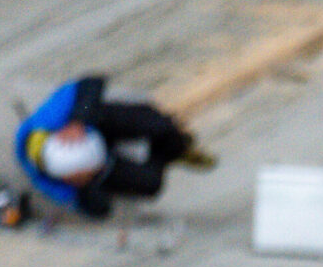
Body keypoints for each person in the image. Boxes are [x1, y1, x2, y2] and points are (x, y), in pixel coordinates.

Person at [13, 76, 212, 218]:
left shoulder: (51, 118)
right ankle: (171, 152)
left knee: (160, 125)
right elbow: (97, 209)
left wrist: (79, 119)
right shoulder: (51, 183)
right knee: (151, 184)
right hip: (93, 144)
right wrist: (87, 189)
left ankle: (175, 143)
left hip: (96, 124)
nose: (91, 175)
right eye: (89, 174)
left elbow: (92, 82)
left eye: (89, 173)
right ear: (68, 178)